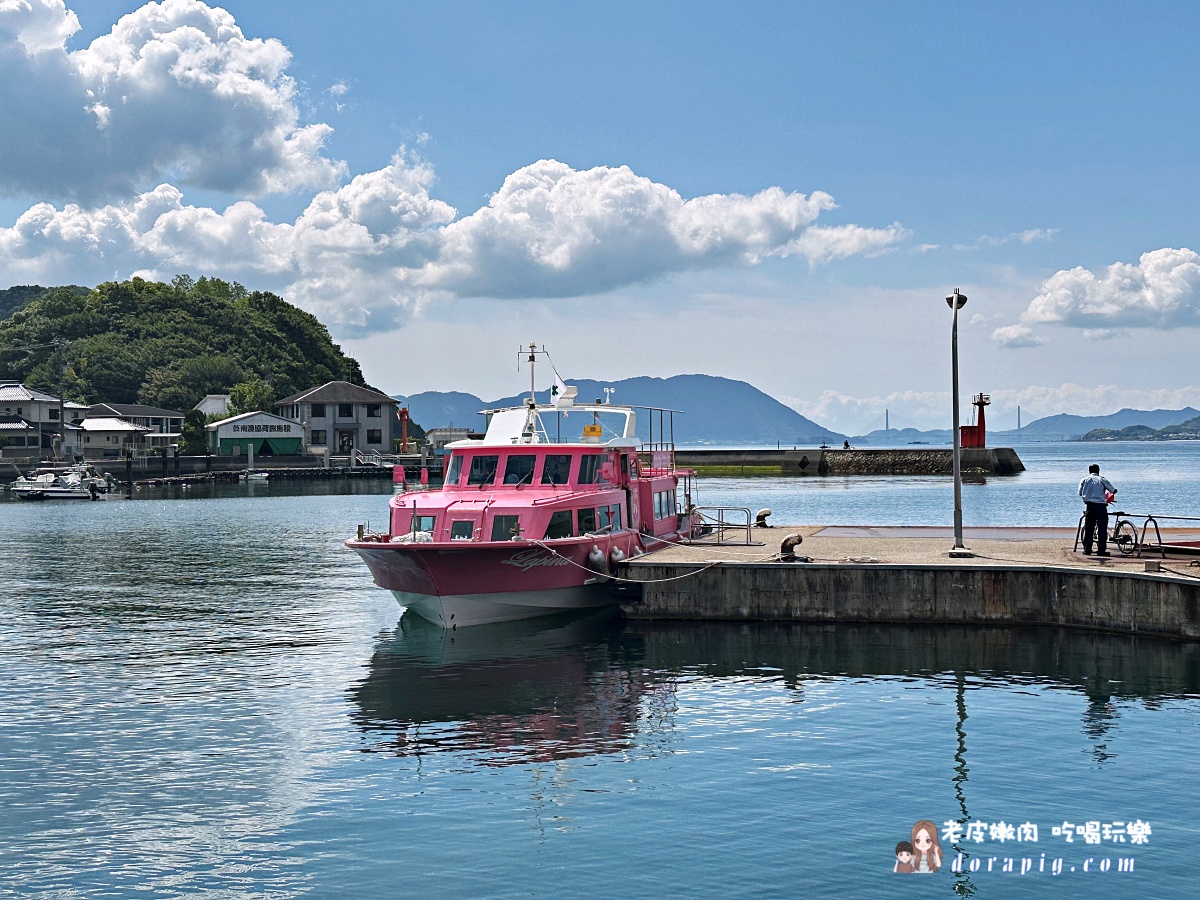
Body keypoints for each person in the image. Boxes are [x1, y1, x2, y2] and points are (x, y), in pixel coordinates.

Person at [1078, 463, 1117, 557]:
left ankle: (1087, 549)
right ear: (1098, 470)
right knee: (1102, 529)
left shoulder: (1084, 480)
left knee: (1089, 529)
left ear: (1089, 471)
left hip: (1090, 506)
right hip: (1101, 507)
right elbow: (1113, 490)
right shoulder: (1102, 479)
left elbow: (1080, 493)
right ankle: (1101, 550)